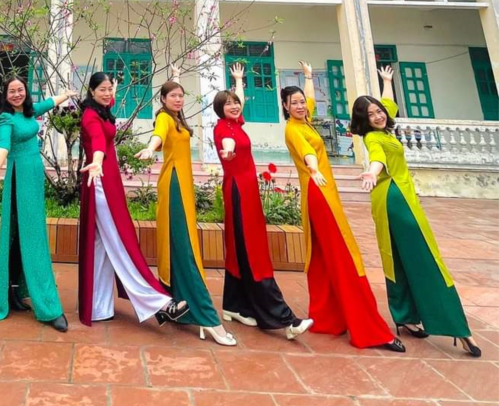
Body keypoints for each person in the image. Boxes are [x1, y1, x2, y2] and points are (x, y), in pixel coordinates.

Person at [351, 66, 480, 357]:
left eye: (378, 111)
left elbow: (389, 103)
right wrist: (372, 172)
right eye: (371, 115)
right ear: (363, 120)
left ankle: (405, 316)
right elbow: (377, 158)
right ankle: (457, 326)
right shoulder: (373, 138)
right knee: (426, 257)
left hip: (396, 197)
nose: (378, 116)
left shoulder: (385, 127)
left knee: (397, 257)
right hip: (395, 200)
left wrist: (387, 82)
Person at [283, 61, 404, 352]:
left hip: (322, 193)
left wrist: (309, 76)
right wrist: (314, 169)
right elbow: (308, 154)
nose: (300, 105)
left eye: (301, 102)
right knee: (345, 258)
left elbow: (310, 98)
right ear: (285, 107)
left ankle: (328, 318)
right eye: (294, 103)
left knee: (325, 259)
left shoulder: (305, 120)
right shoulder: (293, 130)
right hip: (319, 194)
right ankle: (369, 330)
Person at [78, 71, 189, 328]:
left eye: (110, 89)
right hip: (101, 183)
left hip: (110, 182)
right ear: (91, 91)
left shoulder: (102, 108)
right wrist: (97, 161)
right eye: (102, 89)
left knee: (102, 245)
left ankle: (97, 307)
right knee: (121, 242)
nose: (108, 93)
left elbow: (110, 102)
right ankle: (159, 304)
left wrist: (174, 78)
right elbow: (97, 140)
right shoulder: (91, 116)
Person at [213, 63, 312, 339]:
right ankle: (284, 319)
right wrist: (227, 152)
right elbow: (228, 143)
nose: (235, 106)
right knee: (253, 251)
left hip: (246, 191)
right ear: (219, 109)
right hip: (239, 192)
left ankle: (234, 305)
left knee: (240, 248)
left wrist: (238, 80)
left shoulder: (235, 122)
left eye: (235, 103)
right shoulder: (223, 130)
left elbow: (240, 102)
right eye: (228, 104)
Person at [136, 74, 236, 346]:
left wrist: (176, 78)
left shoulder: (177, 119)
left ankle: (178, 307)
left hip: (183, 185)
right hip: (174, 185)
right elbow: (158, 135)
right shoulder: (165, 118)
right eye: (173, 96)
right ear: (163, 99)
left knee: (179, 246)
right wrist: (150, 149)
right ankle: (207, 318)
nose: (179, 100)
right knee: (185, 248)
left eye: (181, 96)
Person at [0, 75, 76, 331]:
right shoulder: (6, 119)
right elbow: (2, 146)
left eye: (20, 89)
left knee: (25, 236)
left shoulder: (30, 111)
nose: (17, 94)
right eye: (12, 91)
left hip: (33, 178)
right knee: (31, 238)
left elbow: (49, 102)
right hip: (19, 180)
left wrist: (66, 94)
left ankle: (14, 290)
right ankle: (48, 306)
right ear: (5, 95)